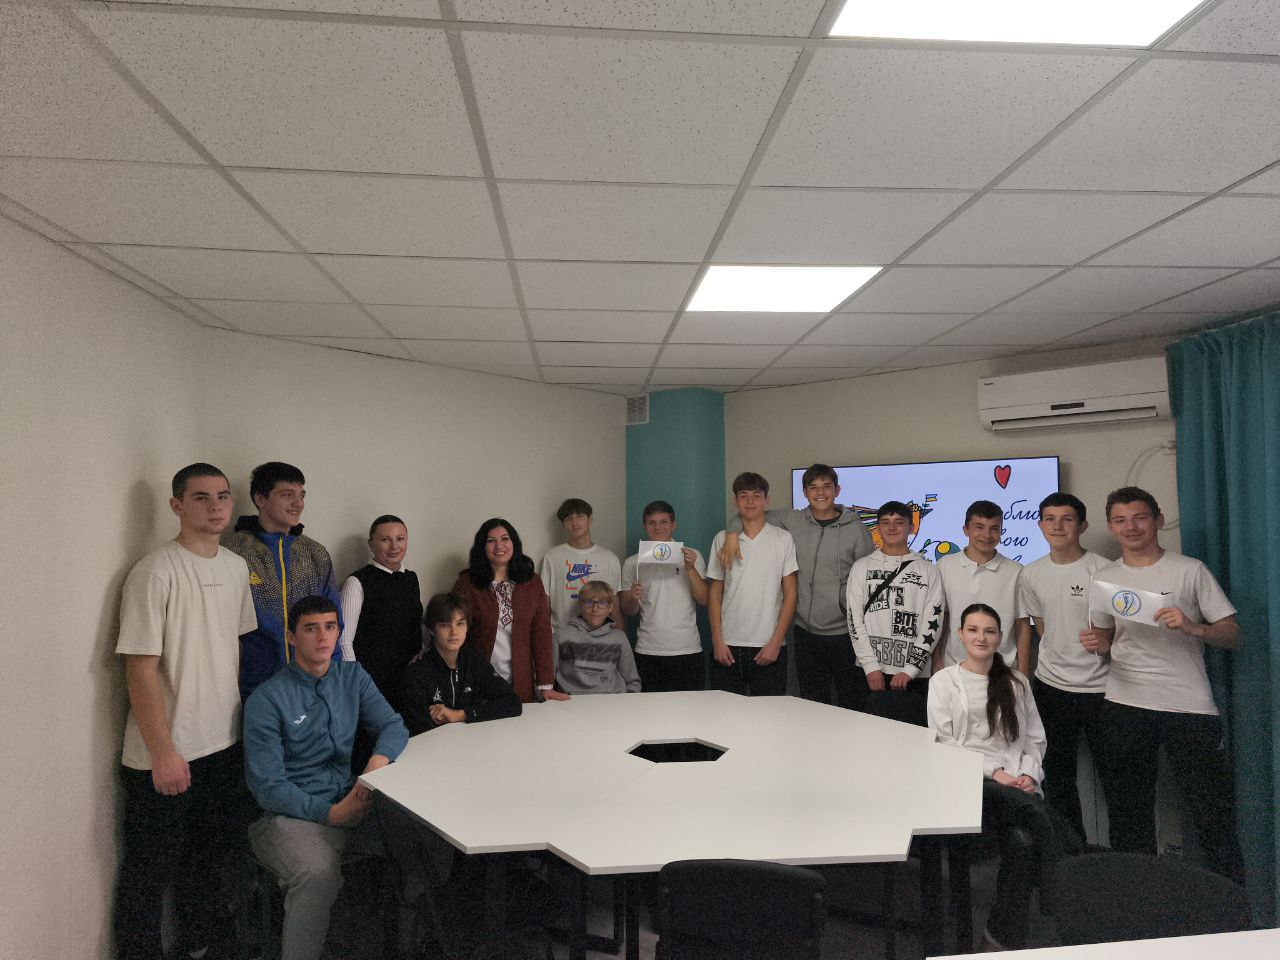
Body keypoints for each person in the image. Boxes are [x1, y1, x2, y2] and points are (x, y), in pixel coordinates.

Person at [113, 463, 258, 960]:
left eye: (223, 496)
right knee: (149, 872)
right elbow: (139, 668)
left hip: (222, 743)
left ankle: (199, 946)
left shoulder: (235, 568)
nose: (215, 506)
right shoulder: (155, 571)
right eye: (201, 497)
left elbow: (230, 648)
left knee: (208, 860)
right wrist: (163, 752)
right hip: (165, 753)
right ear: (177, 506)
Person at [1081, 486, 1244, 884]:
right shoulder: (1104, 578)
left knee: (1210, 808)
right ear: (1111, 526)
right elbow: (1106, 637)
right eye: (1121, 520)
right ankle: (1137, 894)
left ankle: (1230, 897)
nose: (1131, 527)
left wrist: (1192, 627)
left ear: (1157, 519)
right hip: (1125, 701)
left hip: (1188, 704)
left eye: (1139, 517)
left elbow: (1232, 634)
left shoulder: (1190, 570)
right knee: (1128, 809)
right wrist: (1098, 644)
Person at [243, 596, 410, 960]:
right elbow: (267, 786)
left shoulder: (353, 677)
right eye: (311, 629)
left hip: (353, 799)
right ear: (291, 637)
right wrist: (332, 814)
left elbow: (394, 726)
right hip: (289, 817)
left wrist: (374, 768)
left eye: (330, 627)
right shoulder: (267, 699)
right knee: (318, 876)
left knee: (421, 840)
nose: (322, 637)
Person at [929, 603, 1056, 952]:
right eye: (973, 630)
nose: (981, 637)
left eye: (989, 631)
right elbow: (942, 744)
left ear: (1000, 637)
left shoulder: (1016, 682)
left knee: (1023, 843)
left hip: (1014, 786)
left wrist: (1028, 775)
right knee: (1032, 815)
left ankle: (997, 940)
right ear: (960, 635)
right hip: (969, 782)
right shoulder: (943, 682)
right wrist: (994, 772)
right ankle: (1056, 879)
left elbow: (1034, 739)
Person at [719, 464, 874, 708]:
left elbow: (868, 582)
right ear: (805, 492)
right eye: (813, 487)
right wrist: (731, 534)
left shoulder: (857, 530)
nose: (820, 492)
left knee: (851, 701)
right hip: (805, 633)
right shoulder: (793, 520)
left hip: (846, 633)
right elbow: (750, 512)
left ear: (837, 490)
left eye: (826, 486)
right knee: (812, 702)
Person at [1016, 492, 1112, 847]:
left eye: (1067, 519)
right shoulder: (1031, 573)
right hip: (1052, 688)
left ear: (1082, 525)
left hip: (1104, 689)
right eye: (1049, 519)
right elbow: (1042, 626)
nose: (1057, 526)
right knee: (1057, 778)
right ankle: (1072, 853)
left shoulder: (1105, 570)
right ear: (1040, 525)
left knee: (1116, 778)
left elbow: (1124, 629)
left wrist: (1107, 641)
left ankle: (1124, 862)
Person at [224, 461, 342, 698]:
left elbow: (334, 622)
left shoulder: (315, 554)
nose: (298, 504)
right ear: (260, 499)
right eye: (287, 495)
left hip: (312, 686)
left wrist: (334, 678)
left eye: (302, 495)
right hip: (255, 687)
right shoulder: (234, 552)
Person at [846, 500, 945, 726]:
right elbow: (854, 620)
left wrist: (911, 669)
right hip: (870, 671)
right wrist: (871, 667)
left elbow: (933, 622)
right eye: (885, 522)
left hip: (914, 675)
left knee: (913, 735)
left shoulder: (928, 570)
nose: (892, 528)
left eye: (899, 522)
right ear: (878, 528)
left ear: (912, 527)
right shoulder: (862, 567)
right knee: (869, 732)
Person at [453, 518, 568, 704]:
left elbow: (541, 634)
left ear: (514, 543)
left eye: (505, 539)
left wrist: (545, 684)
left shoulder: (532, 582)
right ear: (482, 546)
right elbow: (454, 633)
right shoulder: (467, 583)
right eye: (491, 541)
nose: (499, 546)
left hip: (520, 680)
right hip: (477, 679)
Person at [705, 472, 799, 696]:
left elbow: (791, 595)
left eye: (756, 495)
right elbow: (715, 594)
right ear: (735, 500)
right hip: (728, 645)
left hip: (769, 645)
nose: (750, 501)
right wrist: (717, 641)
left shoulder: (783, 538)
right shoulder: (721, 539)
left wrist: (776, 643)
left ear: (766, 500)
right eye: (743, 496)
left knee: (768, 714)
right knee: (724, 714)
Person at [401, 592, 522, 734]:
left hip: (473, 740)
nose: (454, 632)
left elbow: (512, 703)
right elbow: (418, 730)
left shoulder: (473, 661)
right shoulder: (417, 672)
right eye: (445, 625)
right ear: (431, 630)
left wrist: (459, 715)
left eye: (460, 624)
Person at [620, 500, 708, 693]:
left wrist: (690, 569)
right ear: (645, 526)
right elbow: (628, 610)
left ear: (673, 524)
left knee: (690, 708)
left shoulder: (693, 555)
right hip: (647, 649)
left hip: (687, 648)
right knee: (649, 710)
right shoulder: (633, 563)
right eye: (651, 522)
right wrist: (633, 597)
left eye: (663, 522)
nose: (657, 527)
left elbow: (704, 599)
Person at [338, 514, 422, 716]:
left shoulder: (411, 578)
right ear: (371, 544)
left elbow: (414, 624)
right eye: (385, 539)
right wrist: (356, 683)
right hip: (372, 683)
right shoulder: (357, 582)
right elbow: (343, 641)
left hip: (408, 680)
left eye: (400, 539)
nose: (394, 546)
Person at [936, 500, 1028, 675]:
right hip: (954, 666)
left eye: (994, 528)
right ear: (966, 529)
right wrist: (936, 658)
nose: (987, 535)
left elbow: (1022, 623)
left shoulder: (1016, 571)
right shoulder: (945, 566)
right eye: (979, 527)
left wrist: (1023, 671)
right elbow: (941, 617)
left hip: (1002, 669)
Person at [540, 497, 622, 629]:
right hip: (561, 634)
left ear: (590, 519)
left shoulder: (610, 559)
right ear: (563, 524)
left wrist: (619, 635)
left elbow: (615, 605)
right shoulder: (552, 557)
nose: (574, 522)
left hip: (600, 636)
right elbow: (545, 603)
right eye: (568, 519)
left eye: (580, 516)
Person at [556, 580, 642, 695]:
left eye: (602, 603)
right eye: (589, 602)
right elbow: (545, 681)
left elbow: (632, 681)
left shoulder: (619, 638)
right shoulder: (562, 636)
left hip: (612, 701)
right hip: (573, 701)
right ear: (581, 604)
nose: (595, 609)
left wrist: (628, 701)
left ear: (610, 607)